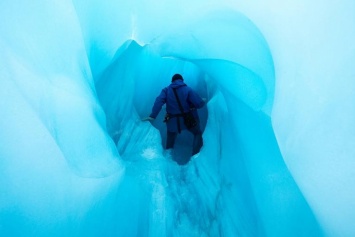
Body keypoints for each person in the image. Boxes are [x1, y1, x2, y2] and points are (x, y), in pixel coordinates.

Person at [142, 74, 206, 156]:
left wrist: (153, 115)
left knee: (171, 136)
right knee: (197, 133)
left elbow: (159, 101)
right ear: (182, 80)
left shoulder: (166, 90)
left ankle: (168, 156)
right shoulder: (187, 89)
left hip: (172, 122)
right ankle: (195, 155)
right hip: (188, 120)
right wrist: (203, 101)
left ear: (172, 81)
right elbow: (199, 103)